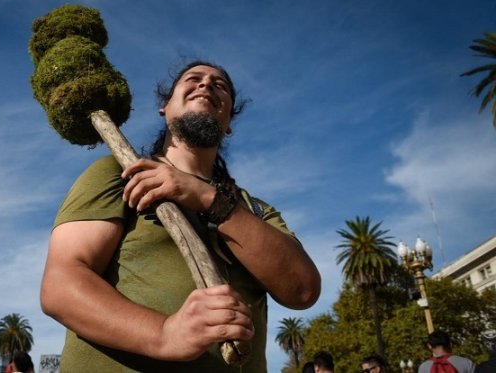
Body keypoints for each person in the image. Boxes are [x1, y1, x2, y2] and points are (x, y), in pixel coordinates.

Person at [40, 60, 321, 372]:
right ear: (165, 106)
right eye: (194, 79)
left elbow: (302, 291)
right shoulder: (120, 174)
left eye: (220, 85)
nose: (206, 85)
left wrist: (208, 199)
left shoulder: (253, 209)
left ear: (229, 121)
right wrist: (164, 333)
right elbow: (61, 286)